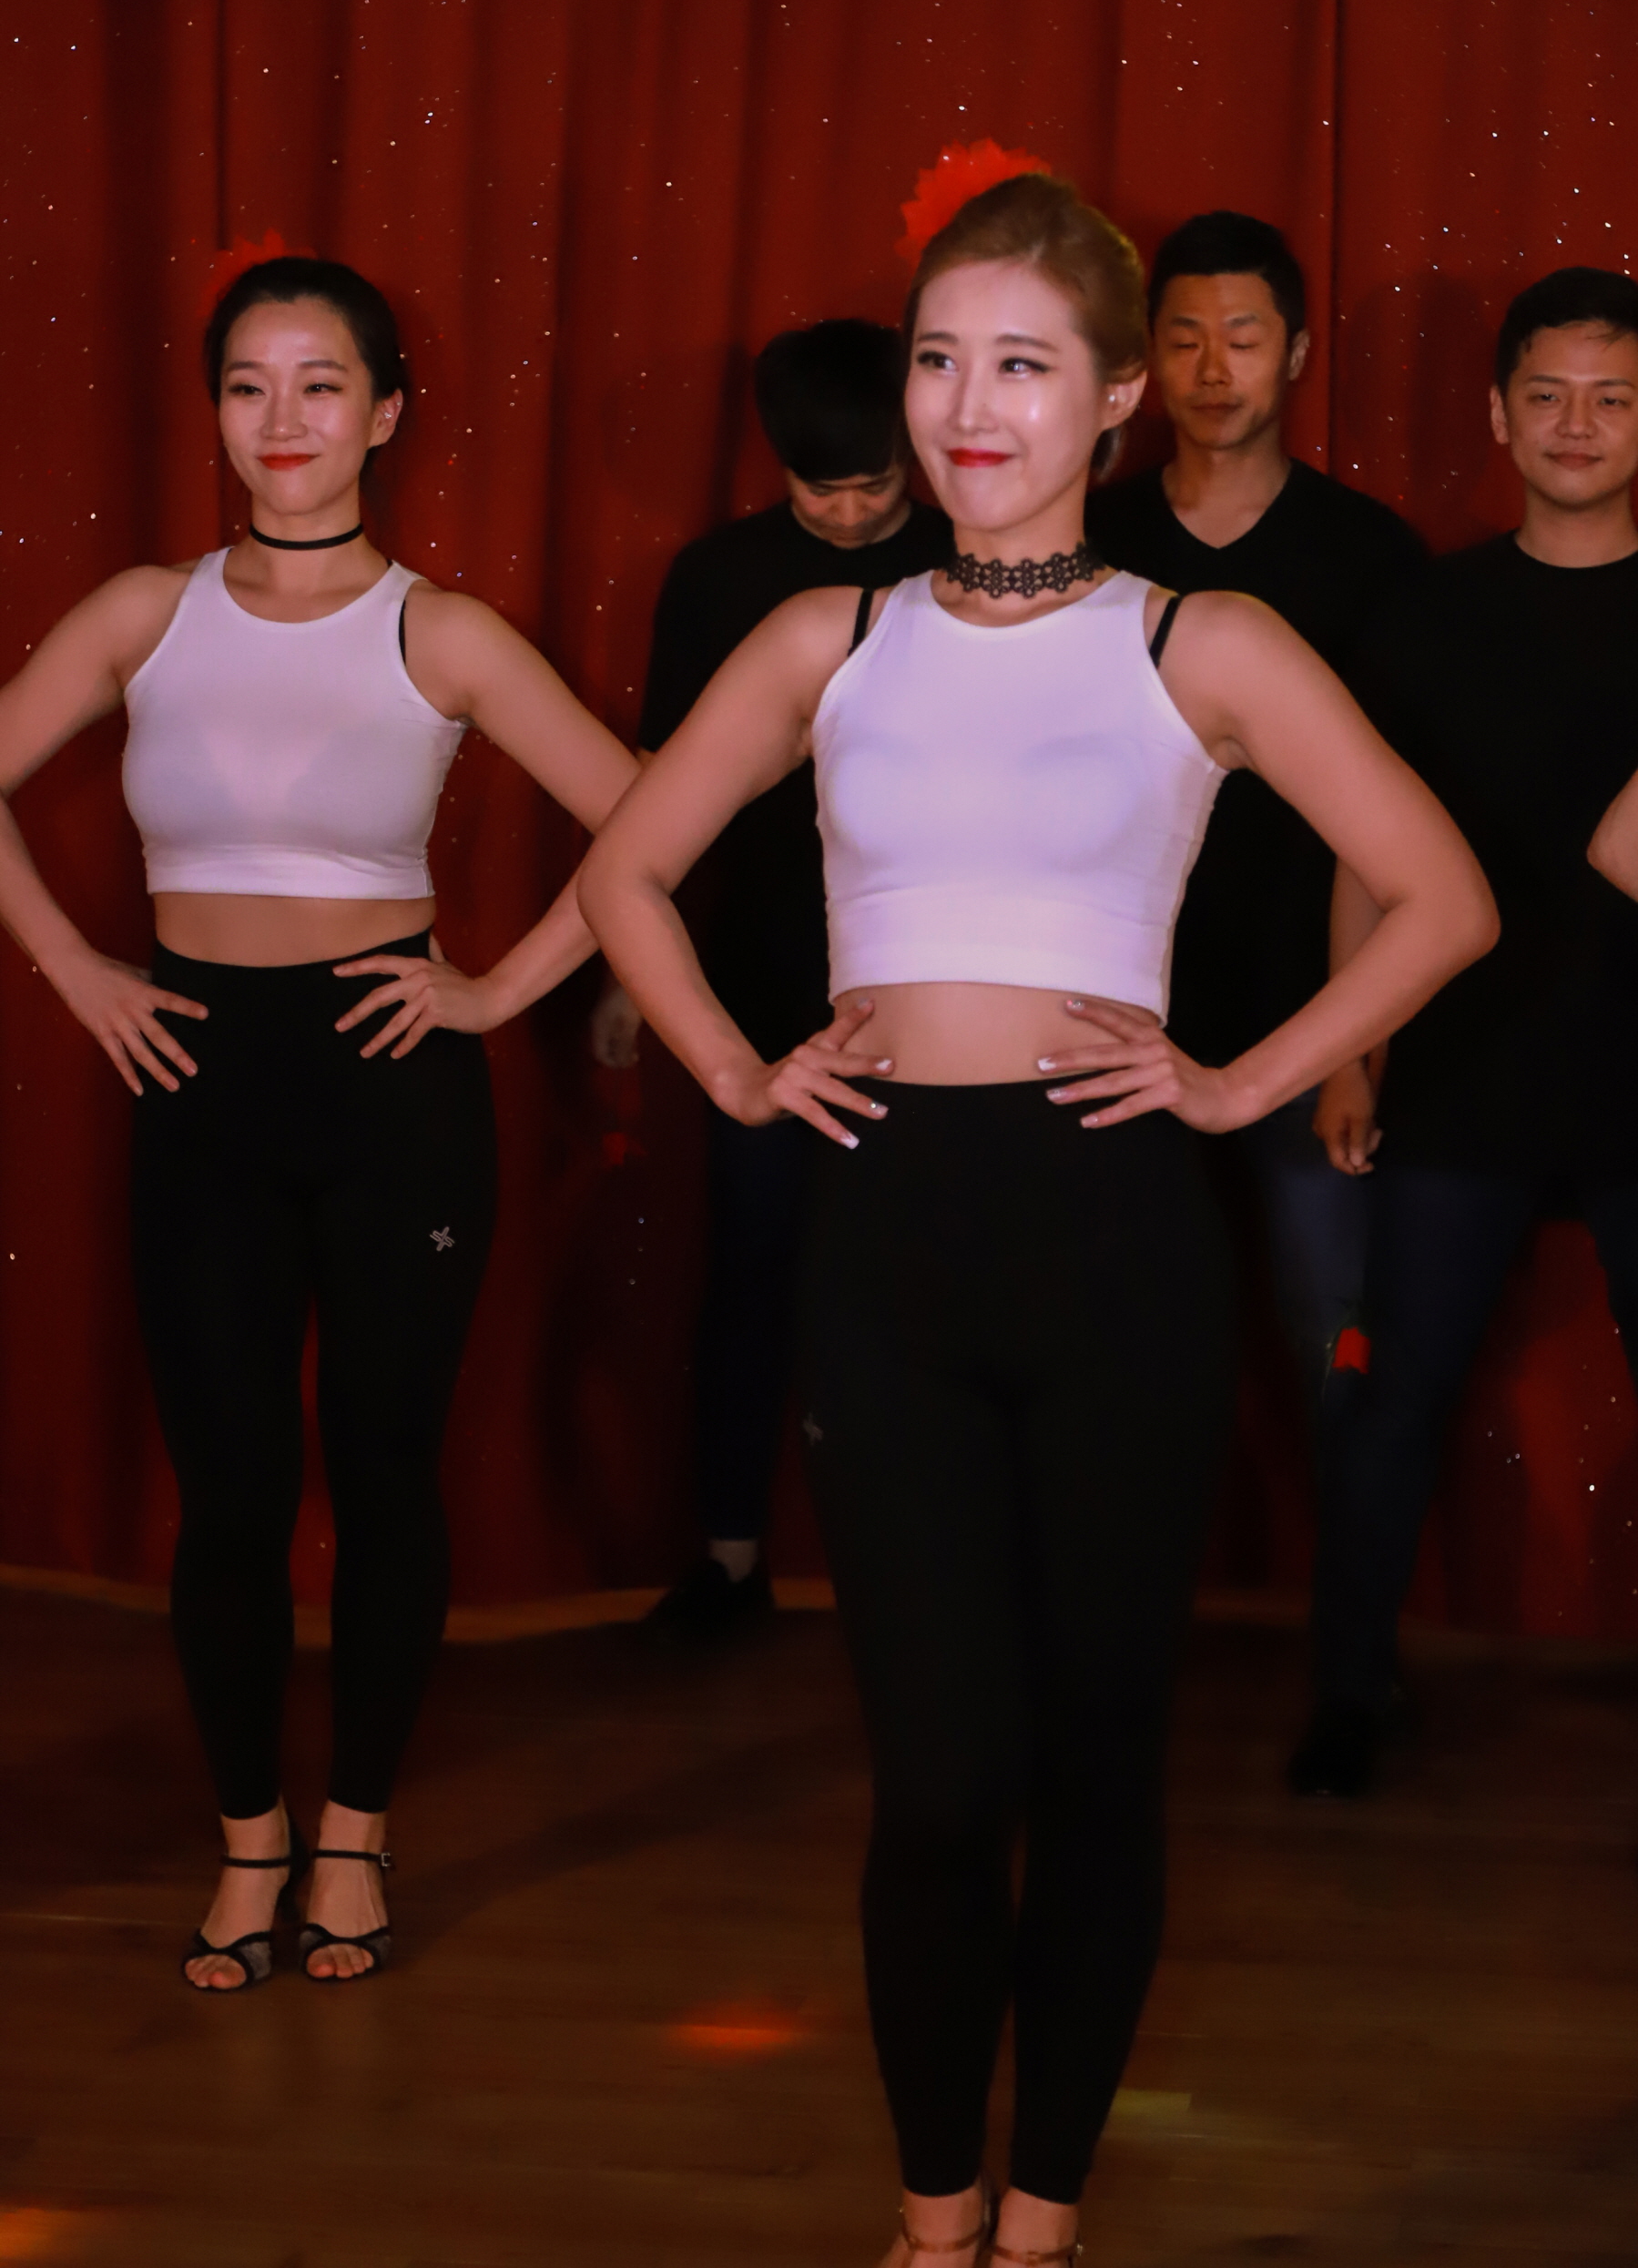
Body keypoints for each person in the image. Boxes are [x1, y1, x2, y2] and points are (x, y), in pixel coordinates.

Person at [581, 161, 1492, 2267]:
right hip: (888, 1236)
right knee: (939, 1780)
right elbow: (624, 869)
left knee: (1095, 1762)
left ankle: (1044, 2217)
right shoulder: (829, 634)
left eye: (1020, 364)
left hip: (1115, 1240)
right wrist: (737, 1067)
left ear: (1113, 399)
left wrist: (1242, 1079)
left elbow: (1444, 894)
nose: (967, 405)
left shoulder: (1202, 637)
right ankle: (932, 2224)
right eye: (938, 358)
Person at [0, 256, 636, 1988]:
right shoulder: (144, 613)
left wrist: (497, 990)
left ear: (386, 413)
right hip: (198, 1077)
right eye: (248, 385)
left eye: (321, 383)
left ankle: (353, 1829)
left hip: (389, 1083)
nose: (282, 419)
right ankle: (248, 1840)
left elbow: (651, 817)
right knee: (229, 1491)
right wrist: (77, 970)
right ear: (217, 411)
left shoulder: (444, 631)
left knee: (382, 1464)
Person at [1300, 265, 1638, 1797]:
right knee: (1396, 1393)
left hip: (1637, 1073)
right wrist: (1349, 1051)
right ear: (1499, 415)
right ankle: (1349, 1689)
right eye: (1548, 395)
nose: (1578, 425)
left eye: (1613, 398)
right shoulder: (1425, 613)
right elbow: (1361, 857)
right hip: (1460, 1069)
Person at [591, 320, 951, 1641]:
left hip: (929, 985)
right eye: (820, 490)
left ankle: (924, 1575)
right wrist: (631, 974)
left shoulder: (970, 561)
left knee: (922, 1288)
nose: (850, 515)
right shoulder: (720, 575)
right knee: (751, 1268)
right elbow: (654, 795)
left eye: (874, 486)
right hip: (759, 971)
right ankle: (731, 1556)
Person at [1088, 210, 1426, 1415]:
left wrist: (1358, 1060)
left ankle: (1344, 1551)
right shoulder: (1089, 538)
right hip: (1112, 1020)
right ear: (1144, 359)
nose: (1213, 369)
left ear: (1297, 353)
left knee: (1332, 1342)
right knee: (1116, 1345)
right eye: (1184, 339)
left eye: (1243, 336)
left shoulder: (1370, 555)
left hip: (1305, 1024)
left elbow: (1390, 841)